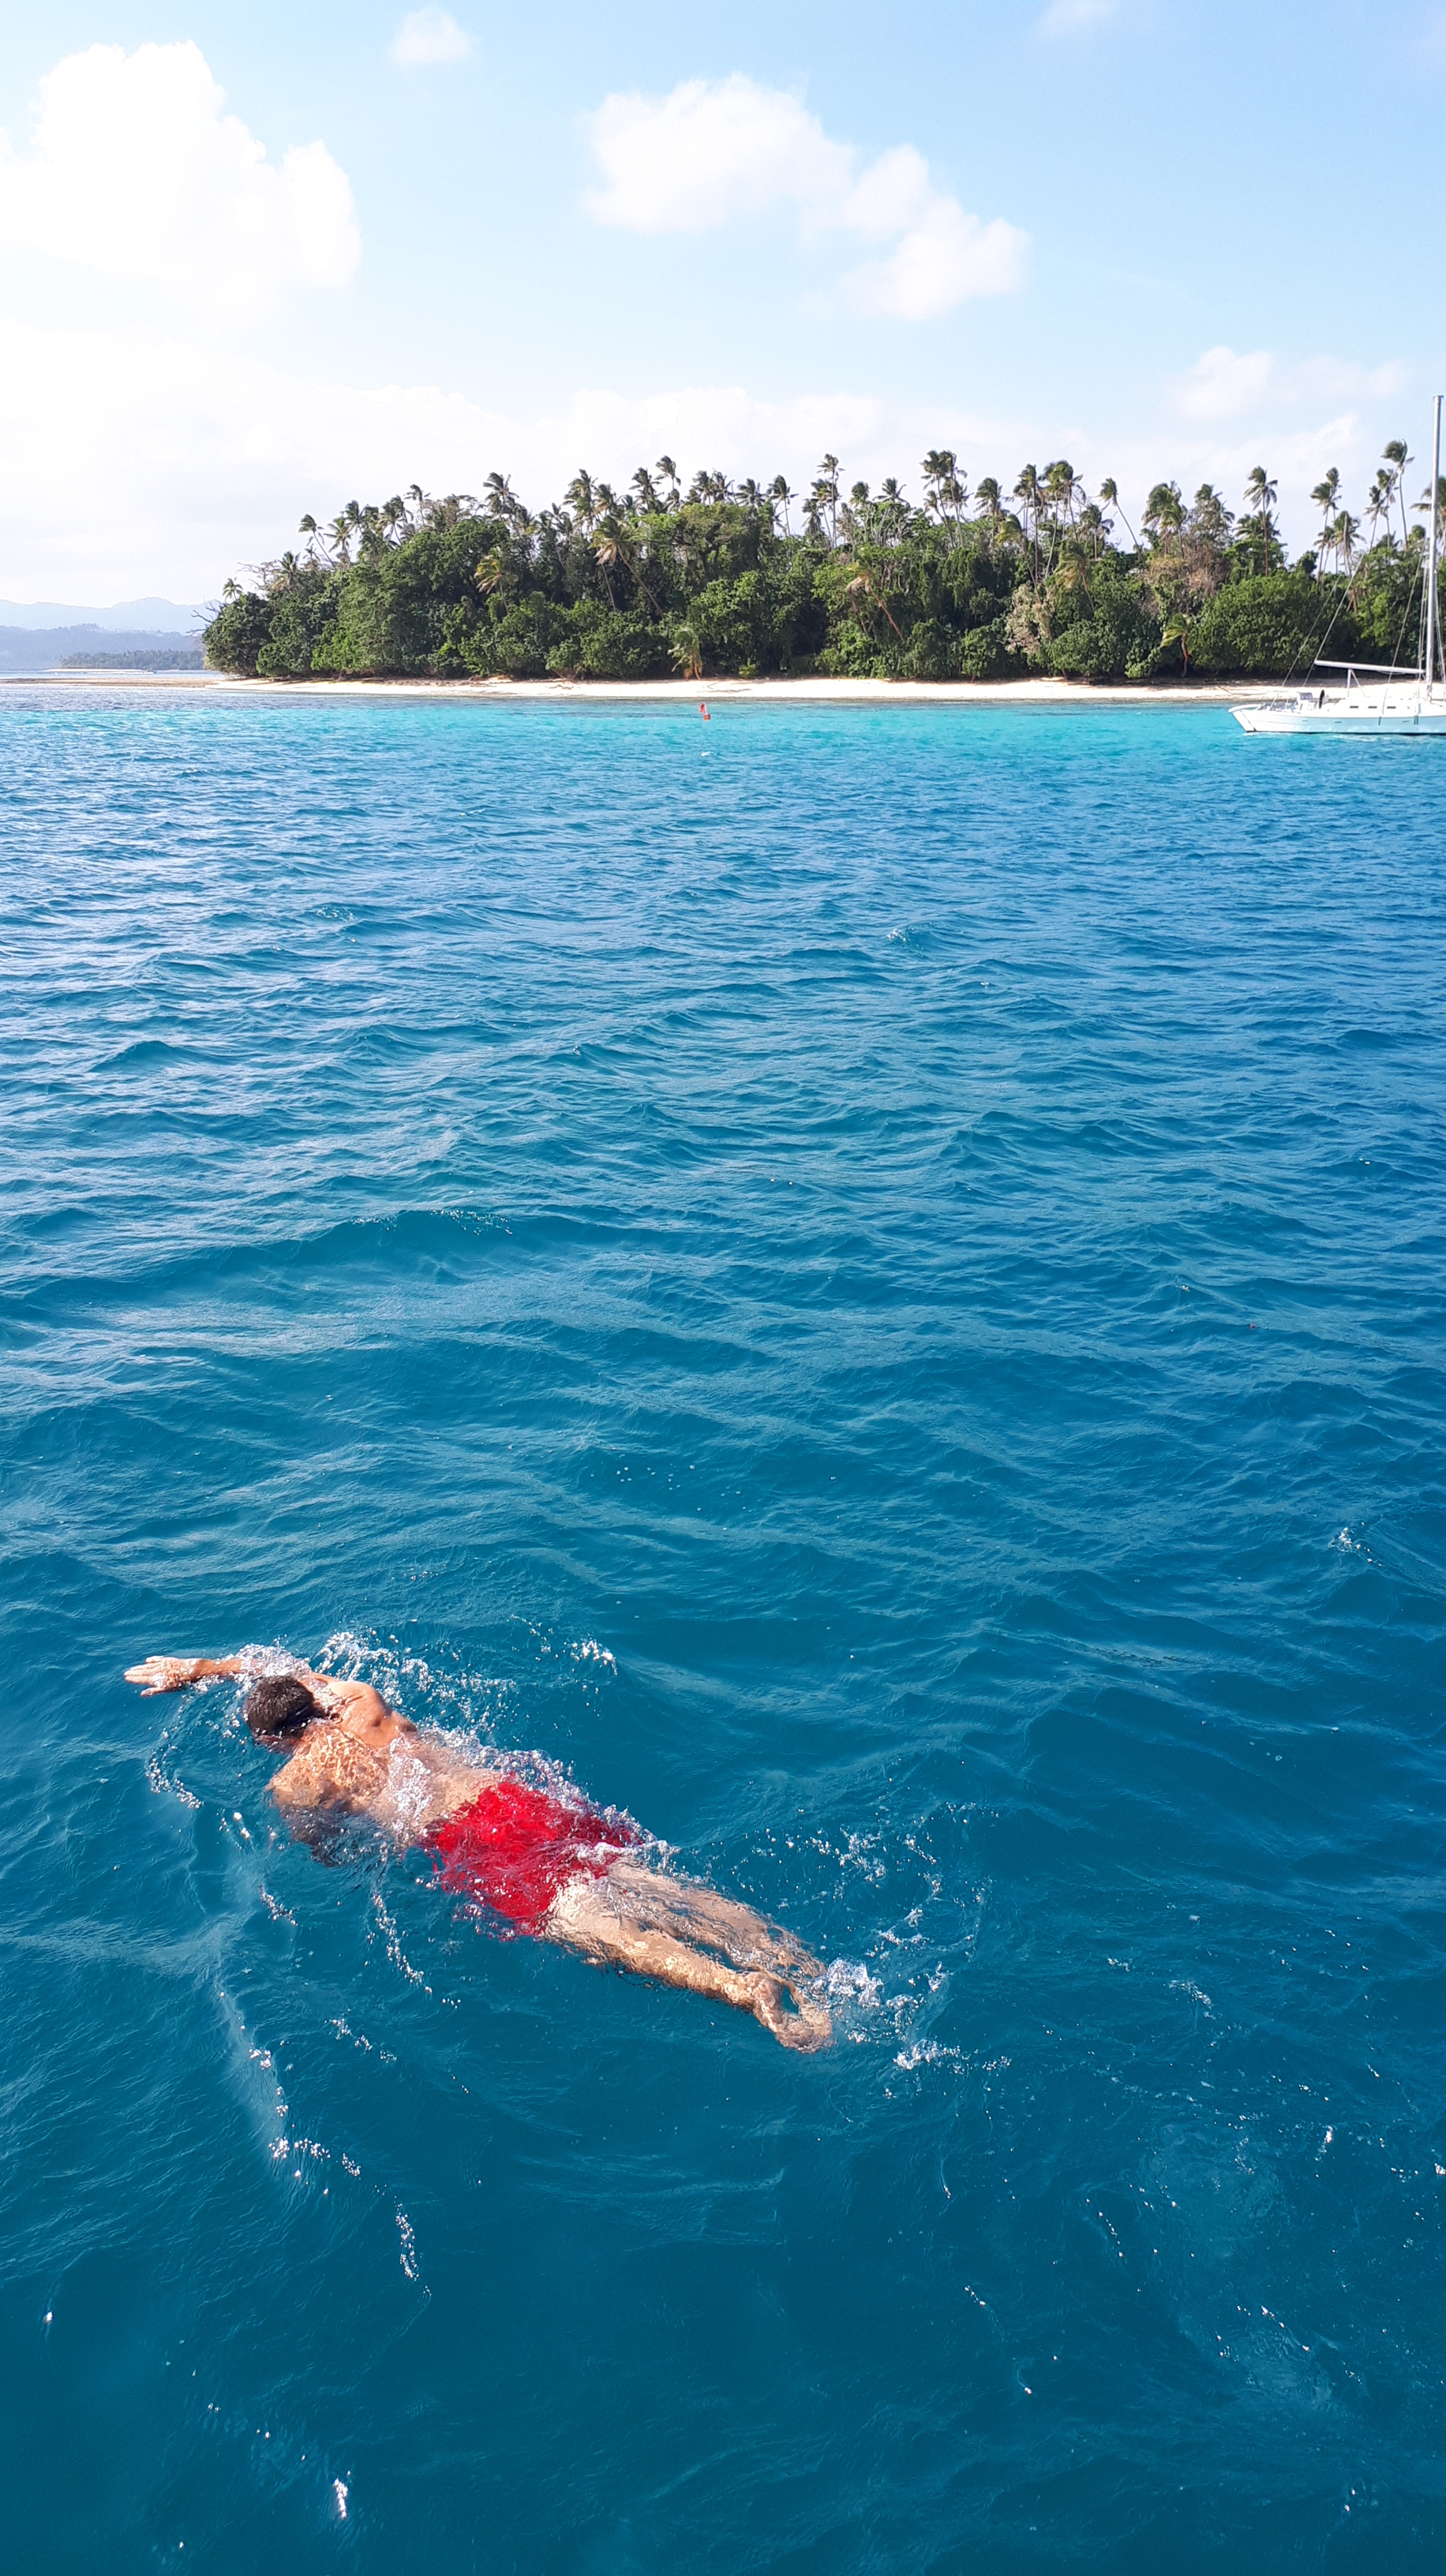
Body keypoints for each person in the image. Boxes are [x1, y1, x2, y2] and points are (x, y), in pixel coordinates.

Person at [125, 1652, 831, 2051]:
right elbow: (276, 1663)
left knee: (602, 1931)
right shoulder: (360, 1698)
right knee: (650, 1886)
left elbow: (330, 1856)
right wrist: (206, 1665)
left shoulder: (295, 1784)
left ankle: (744, 1992)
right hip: (508, 1797)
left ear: (273, 1741)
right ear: (312, 1702)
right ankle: (799, 1960)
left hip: (466, 1841)